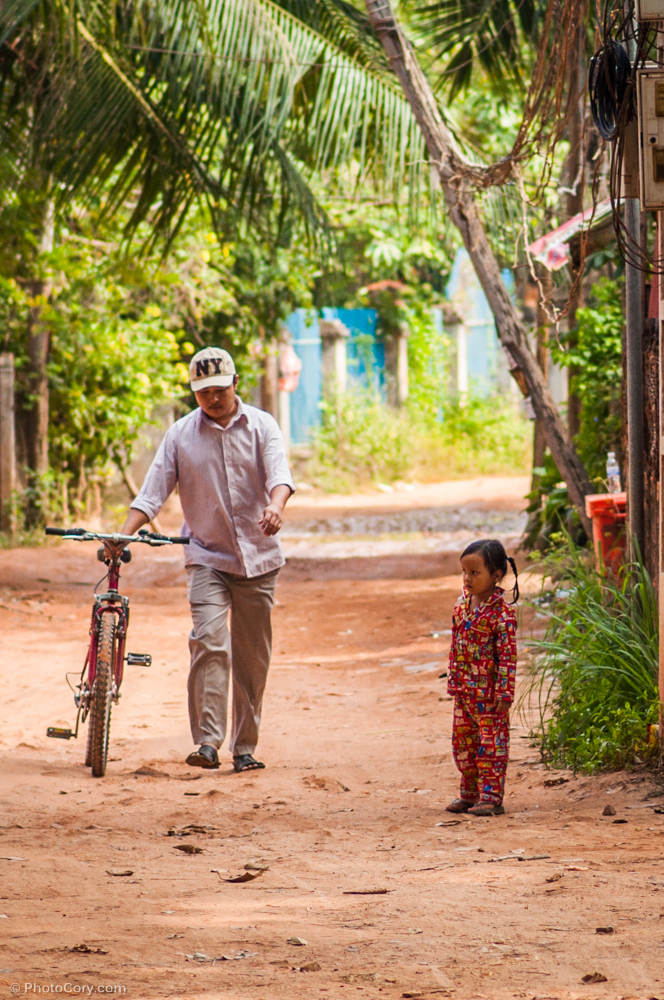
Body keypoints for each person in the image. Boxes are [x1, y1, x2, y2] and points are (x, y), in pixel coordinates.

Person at [110, 346, 294, 773]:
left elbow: (280, 475)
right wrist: (123, 535)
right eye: (202, 391)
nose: (211, 398)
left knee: (252, 657)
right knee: (209, 642)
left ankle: (244, 747)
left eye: (218, 389)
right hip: (206, 556)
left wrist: (276, 507)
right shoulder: (179, 435)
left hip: (259, 560)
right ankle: (207, 742)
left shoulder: (262, 426)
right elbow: (152, 493)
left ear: (235, 384)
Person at [445, 539, 518, 817]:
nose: (467, 579)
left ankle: (491, 797)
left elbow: (508, 657)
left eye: (475, 573)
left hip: (489, 698)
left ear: (496, 576)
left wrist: (504, 693)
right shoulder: (461, 606)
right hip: (464, 693)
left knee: (491, 747)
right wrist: (454, 681)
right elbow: (456, 646)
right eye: (464, 572)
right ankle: (470, 793)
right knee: (463, 744)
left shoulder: (502, 614)